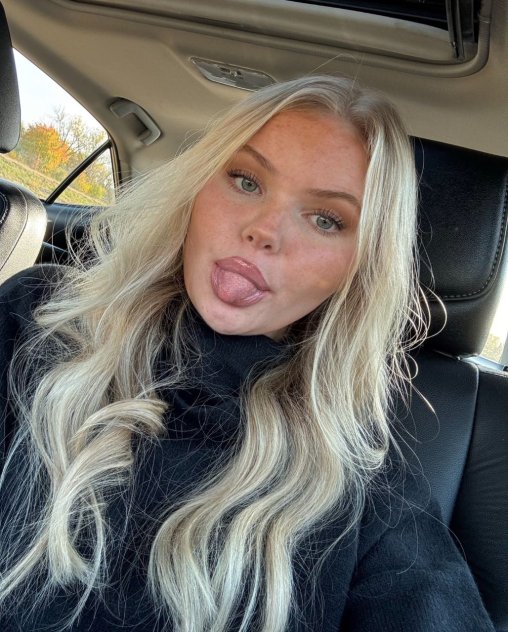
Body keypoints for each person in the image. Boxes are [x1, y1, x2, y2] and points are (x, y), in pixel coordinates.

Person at [0, 76, 495, 632]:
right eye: (246, 180)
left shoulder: (366, 492)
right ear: (196, 188)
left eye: (326, 219)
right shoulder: (39, 317)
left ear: (358, 266)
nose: (263, 231)